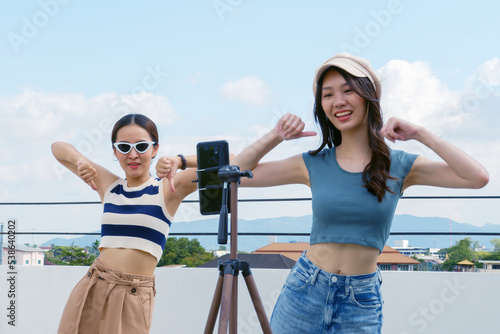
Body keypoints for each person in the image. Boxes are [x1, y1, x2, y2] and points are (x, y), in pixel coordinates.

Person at [232, 53, 489, 333]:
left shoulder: (400, 165)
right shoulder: (312, 164)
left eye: (348, 90)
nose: (338, 101)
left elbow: (477, 178)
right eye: (327, 94)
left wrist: (421, 134)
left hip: (360, 301)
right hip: (305, 289)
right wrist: (276, 135)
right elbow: (236, 176)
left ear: (368, 96)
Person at [52, 113, 198, 334]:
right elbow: (58, 148)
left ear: (155, 149)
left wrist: (181, 160)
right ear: (115, 151)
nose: (133, 155)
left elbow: (228, 160)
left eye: (141, 146)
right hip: (93, 284)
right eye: (123, 147)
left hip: (134, 292)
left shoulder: (167, 188)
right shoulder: (110, 185)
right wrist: (80, 161)